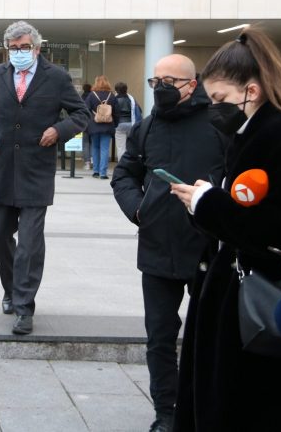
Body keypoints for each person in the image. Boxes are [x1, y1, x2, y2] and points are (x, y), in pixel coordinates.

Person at [169, 27, 281, 432]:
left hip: (266, 304)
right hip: (240, 297)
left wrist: (209, 204)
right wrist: (206, 203)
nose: (215, 108)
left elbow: (278, 233)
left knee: (253, 408)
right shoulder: (254, 134)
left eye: (221, 98)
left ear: (253, 91)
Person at [111, 54, 227, 432]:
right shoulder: (146, 128)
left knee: (207, 336)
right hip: (157, 247)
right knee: (159, 338)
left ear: (192, 85)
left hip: (208, 249)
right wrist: (138, 209)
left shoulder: (219, 126)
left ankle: (203, 409)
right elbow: (124, 174)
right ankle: (167, 413)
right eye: (154, 81)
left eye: (169, 82)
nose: (160, 88)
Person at [0, 20, 88, 335]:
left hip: (37, 171)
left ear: (37, 48)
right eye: (13, 48)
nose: (19, 53)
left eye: (24, 47)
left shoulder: (58, 78)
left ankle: (24, 307)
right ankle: (10, 289)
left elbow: (81, 114)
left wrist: (58, 130)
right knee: (0, 237)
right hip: (2, 170)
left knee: (30, 244)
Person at [86, 75, 118, 179]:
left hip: (94, 125)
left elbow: (86, 110)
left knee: (95, 148)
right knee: (105, 149)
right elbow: (117, 112)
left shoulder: (91, 95)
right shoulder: (111, 96)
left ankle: (95, 171)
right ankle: (103, 173)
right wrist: (115, 124)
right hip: (107, 126)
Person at [113, 81, 141, 161]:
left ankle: (122, 165)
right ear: (126, 89)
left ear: (116, 90)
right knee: (130, 146)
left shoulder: (114, 99)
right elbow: (139, 111)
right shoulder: (131, 99)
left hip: (119, 125)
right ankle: (130, 163)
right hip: (131, 124)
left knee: (121, 147)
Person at [81, 83, 93, 169]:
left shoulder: (81, 97)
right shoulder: (93, 96)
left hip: (84, 121)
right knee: (93, 142)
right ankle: (93, 159)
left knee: (85, 143)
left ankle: (87, 163)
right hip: (93, 122)